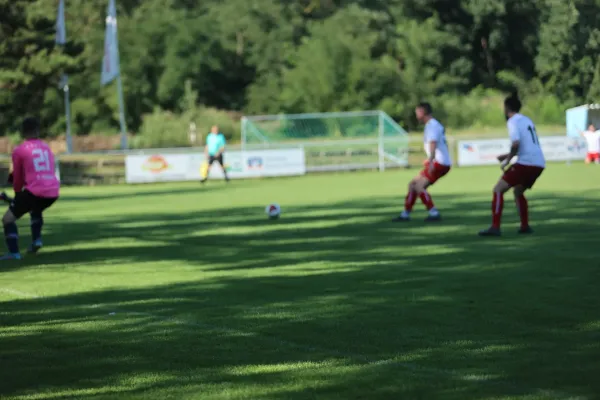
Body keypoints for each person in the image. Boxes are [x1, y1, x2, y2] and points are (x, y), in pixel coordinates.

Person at [479, 93, 545, 237]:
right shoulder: (526, 120)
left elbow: (516, 143)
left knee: (498, 190)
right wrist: (508, 155)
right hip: (539, 163)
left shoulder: (512, 121)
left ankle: (495, 227)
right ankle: (525, 226)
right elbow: (526, 145)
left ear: (507, 108)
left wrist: (507, 160)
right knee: (518, 192)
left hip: (526, 163)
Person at [1, 117, 60, 260]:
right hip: (53, 190)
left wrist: (17, 194)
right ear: (38, 130)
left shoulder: (20, 150)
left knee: (8, 219)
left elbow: (18, 178)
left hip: (35, 191)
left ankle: (14, 253)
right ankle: (36, 240)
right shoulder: (46, 147)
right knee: (35, 208)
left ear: (22, 132)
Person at [393, 102, 452, 222]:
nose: (416, 116)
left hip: (439, 163)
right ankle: (406, 214)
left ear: (422, 112)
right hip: (439, 162)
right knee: (412, 184)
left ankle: (433, 212)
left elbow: (433, 143)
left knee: (419, 186)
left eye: (417, 113)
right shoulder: (433, 124)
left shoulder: (431, 126)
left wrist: (430, 160)